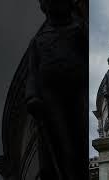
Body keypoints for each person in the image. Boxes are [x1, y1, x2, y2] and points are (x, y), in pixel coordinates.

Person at [25, 0, 86, 179]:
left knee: (78, 141)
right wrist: (32, 96)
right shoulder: (37, 41)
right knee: (61, 145)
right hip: (51, 98)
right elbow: (32, 73)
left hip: (77, 92)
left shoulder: (80, 29)